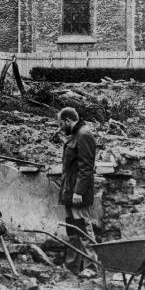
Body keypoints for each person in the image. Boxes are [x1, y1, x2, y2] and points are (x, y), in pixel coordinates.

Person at [56, 107, 97, 273]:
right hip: (69, 191)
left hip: (77, 193)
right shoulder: (76, 135)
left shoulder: (84, 135)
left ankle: (92, 267)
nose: (60, 128)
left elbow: (86, 167)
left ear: (68, 120)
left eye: (61, 124)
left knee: (83, 229)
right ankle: (72, 265)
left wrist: (78, 192)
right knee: (72, 229)